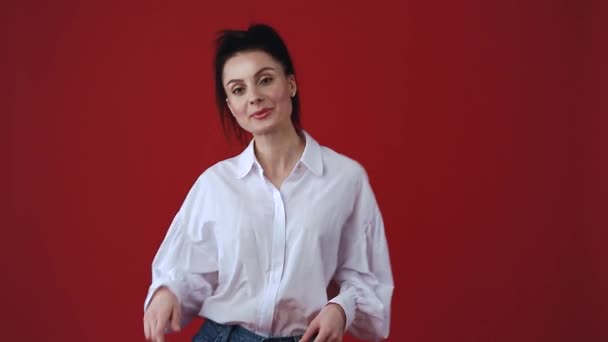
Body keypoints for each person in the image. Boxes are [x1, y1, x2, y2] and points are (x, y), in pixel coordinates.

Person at [142, 23, 394, 342]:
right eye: (238, 89)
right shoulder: (215, 185)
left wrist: (341, 309)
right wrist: (168, 292)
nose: (254, 98)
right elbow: (187, 271)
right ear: (231, 107)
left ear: (290, 84)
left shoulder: (345, 179)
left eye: (265, 80)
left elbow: (368, 278)